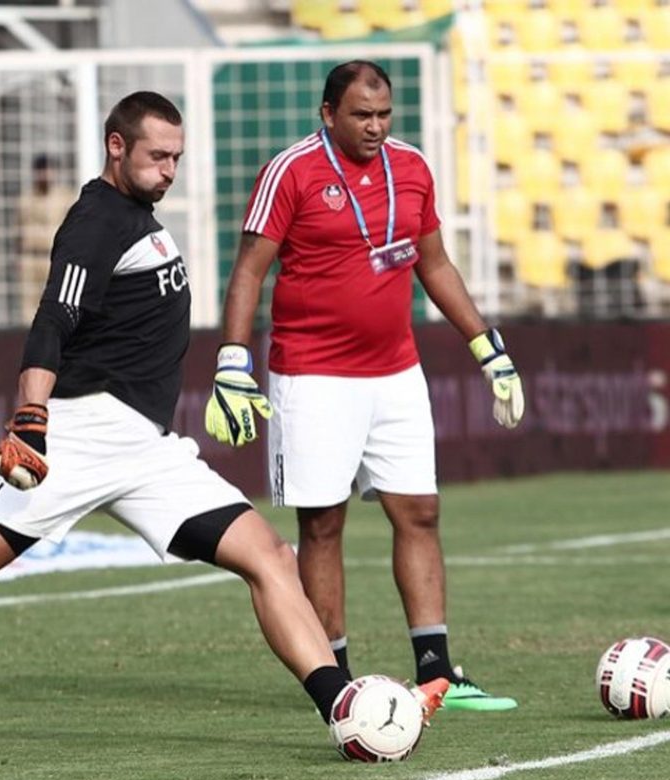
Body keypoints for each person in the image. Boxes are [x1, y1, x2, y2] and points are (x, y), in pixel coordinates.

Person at [0, 91, 448, 738]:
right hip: (84, 433)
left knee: (269, 556)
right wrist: (31, 413)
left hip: (146, 449)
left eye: (176, 157)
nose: (169, 170)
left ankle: (344, 709)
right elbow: (53, 320)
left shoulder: (137, 213)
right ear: (116, 147)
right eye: (157, 156)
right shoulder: (97, 221)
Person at [205, 61, 525, 711]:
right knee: (323, 525)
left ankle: (437, 673)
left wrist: (487, 347)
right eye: (361, 116)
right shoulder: (290, 171)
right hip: (312, 377)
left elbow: (434, 264)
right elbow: (249, 272)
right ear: (328, 114)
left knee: (421, 513)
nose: (376, 127)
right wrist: (232, 360)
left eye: (383, 115)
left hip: (396, 373)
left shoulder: (412, 167)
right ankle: (338, 679)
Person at [16, 153, 76, 324]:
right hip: (31, 257)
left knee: (55, 302)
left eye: (48, 170)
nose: (44, 175)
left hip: (54, 257)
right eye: (41, 171)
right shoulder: (26, 200)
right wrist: (19, 257)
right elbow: (19, 231)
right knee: (29, 306)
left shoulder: (65, 198)